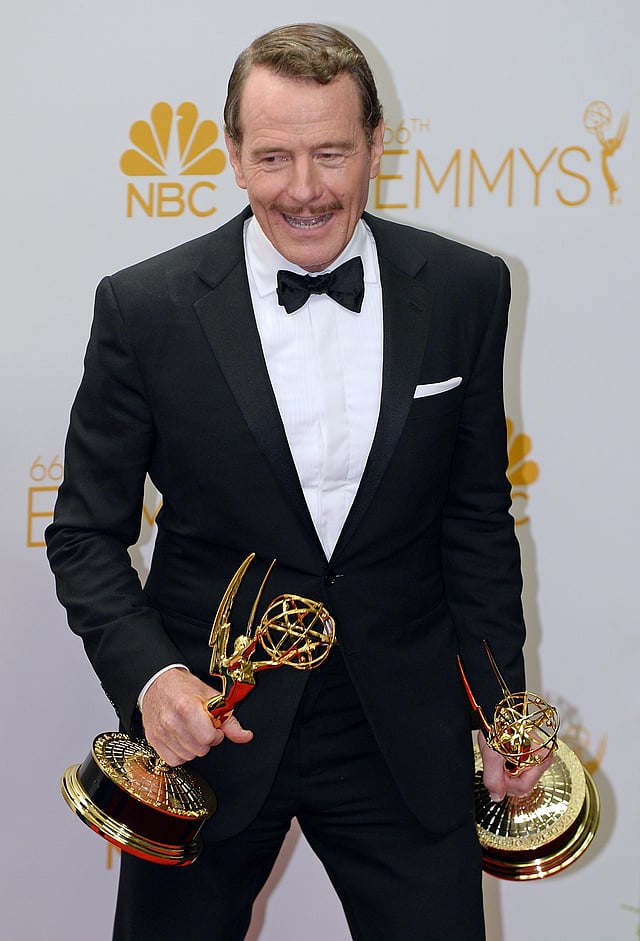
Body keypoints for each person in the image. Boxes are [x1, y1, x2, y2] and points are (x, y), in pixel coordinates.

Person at [46, 23, 550, 941]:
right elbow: (83, 532)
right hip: (210, 730)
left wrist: (500, 709)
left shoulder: (467, 289)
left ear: (377, 148)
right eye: (274, 156)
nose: (306, 189)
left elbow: (475, 520)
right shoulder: (145, 308)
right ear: (233, 154)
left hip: (401, 726)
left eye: (331, 153)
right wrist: (154, 678)